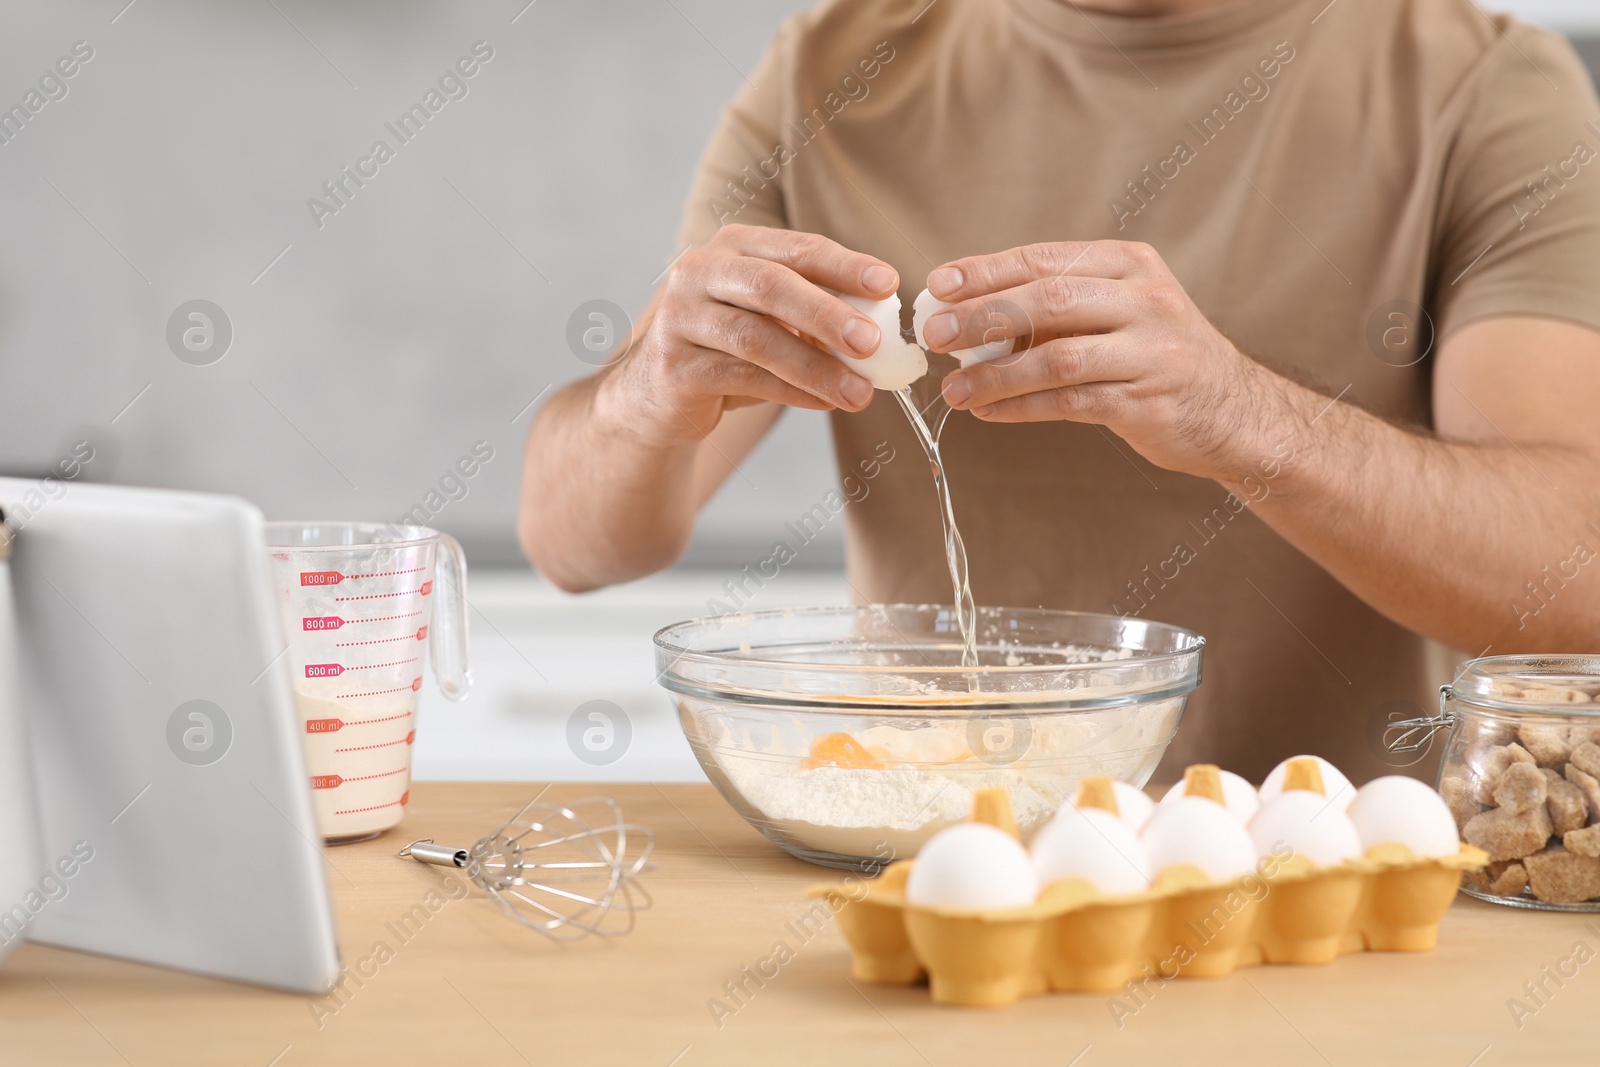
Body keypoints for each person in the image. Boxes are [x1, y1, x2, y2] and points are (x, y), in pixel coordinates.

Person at [519, 0, 1600, 783]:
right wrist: (642, 393)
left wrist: (1241, 417)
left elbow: (1574, 574)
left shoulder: (1483, 84)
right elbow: (574, 545)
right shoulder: (829, 72)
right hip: (936, 861)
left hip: (1339, 871)